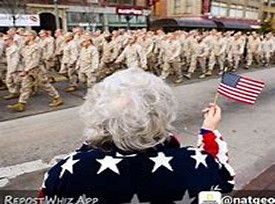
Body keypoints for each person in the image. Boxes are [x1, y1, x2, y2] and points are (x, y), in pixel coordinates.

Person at [39, 68, 234, 204]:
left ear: (97, 115)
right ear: (164, 114)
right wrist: (208, 131)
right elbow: (223, 179)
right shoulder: (197, 164)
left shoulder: (68, 171)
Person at [7, 30, 63, 112]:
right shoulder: (25, 47)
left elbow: (35, 61)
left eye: (26, 36)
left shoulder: (37, 47)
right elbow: (24, 59)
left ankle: (57, 98)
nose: (24, 38)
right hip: (28, 70)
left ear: (32, 37)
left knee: (45, 85)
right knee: (25, 87)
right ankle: (21, 104)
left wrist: (26, 70)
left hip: (37, 70)